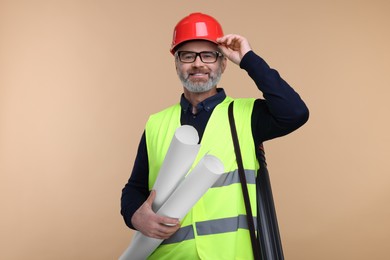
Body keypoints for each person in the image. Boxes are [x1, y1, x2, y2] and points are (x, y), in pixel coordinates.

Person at [121, 12, 309, 259]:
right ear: (177, 63)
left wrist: (248, 59)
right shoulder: (156, 123)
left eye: (208, 55)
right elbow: (134, 188)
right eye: (188, 56)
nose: (198, 64)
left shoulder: (247, 116)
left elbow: (295, 112)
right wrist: (136, 215)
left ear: (223, 63)